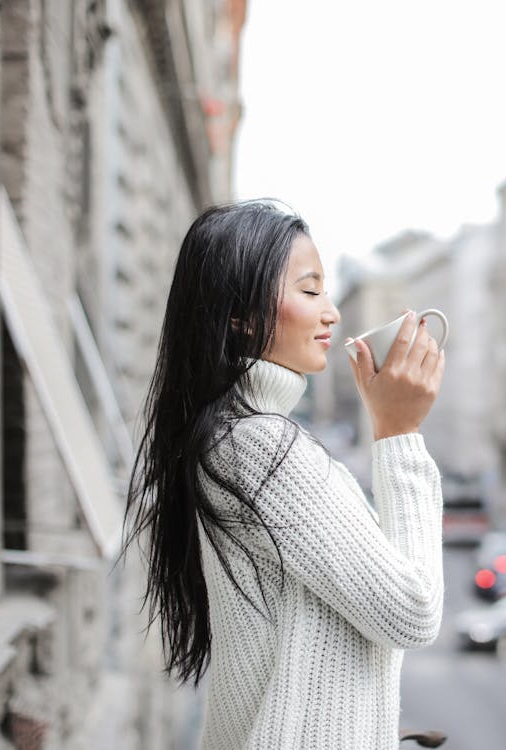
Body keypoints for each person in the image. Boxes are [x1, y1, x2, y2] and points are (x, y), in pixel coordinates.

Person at [123, 200, 447, 749]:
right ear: (242, 317)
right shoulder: (261, 446)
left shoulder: (232, 435)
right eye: (310, 289)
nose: (333, 313)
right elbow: (413, 611)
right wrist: (398, 433)